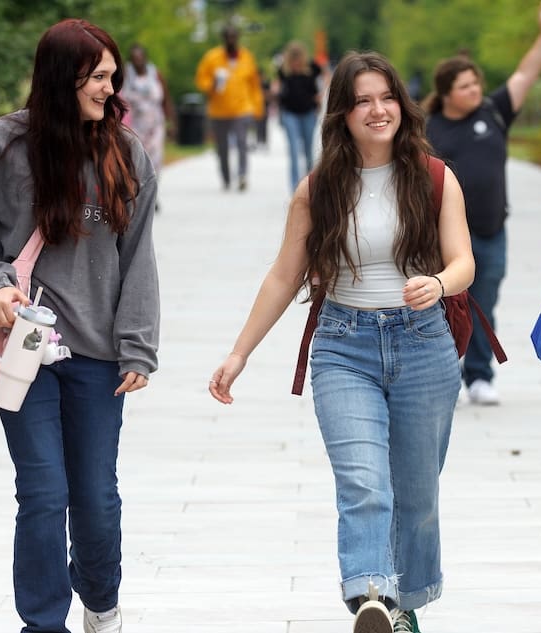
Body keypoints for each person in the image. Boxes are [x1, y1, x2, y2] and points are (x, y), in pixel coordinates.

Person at [208, 50, 472, 633]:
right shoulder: (319, 187)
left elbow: (463, 264)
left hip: (423, 345)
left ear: (401, 104)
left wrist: (436, 282)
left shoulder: (433, 176)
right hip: (343, 346)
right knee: (362, 480)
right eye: (362, 102)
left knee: (417, 494)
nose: (377, 111)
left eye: (386, 98)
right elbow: (284, 274)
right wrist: (239, 352)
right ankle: (371, 595)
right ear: (343, 115)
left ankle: (402, 603)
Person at [0, 18, 159, 633]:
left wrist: (138, 347)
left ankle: (101, 599)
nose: (111, 90)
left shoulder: (126, 153)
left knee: (94, 499)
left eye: (113, 76)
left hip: (96, 356)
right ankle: (42, 623)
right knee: (41, 493)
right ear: (63, 78)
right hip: (20, 354)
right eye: (98, 77)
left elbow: (137, 257)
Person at [423, 0, 541, 405]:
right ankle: (446, 374)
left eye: (476, 84)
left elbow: (525, 74)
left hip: (491, 229)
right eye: (464, 87)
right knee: (444, 306)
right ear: (446, 93)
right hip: (441, 236)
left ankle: (480, 375)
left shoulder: (494, 112)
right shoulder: (427, 128)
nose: (475, 91)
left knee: (485, 303)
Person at [195, 25, 264, 191]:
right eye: (228, 37)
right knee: (222, 147)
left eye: (234, 37)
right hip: (219, 110)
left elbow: (254, 85)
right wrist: (211, 85)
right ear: (224, 39)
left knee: (242, 142)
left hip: (242, 109)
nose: (231, 40)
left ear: (238, 38)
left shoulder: (247, 57)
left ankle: (242, 175)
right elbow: (200, 79)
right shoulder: (212, 58)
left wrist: (258, 107)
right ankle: (226, 177)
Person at [120, 43, 175, 201]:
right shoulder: (126, 75)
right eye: (134, 58)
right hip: (134, 125)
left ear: (145, 57)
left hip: (155, 125)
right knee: (136, 160)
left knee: (155, 160)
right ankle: (138, 195)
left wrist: (171, 123)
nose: (137, 61)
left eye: (140, 57)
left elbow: (166, 100)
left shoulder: (155, 74)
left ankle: (152, 195)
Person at [272, 40, 325, 192]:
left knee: (309, 150)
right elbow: (278, 84)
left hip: (308, 112)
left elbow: (325, 76)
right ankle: (295, 186)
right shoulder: (283, 70)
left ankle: (309, 183)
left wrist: (321, 95)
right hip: (290, 113)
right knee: (294, 149)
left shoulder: (312, 68)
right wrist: (275, 91)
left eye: (298, 59)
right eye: (292, 59)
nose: (295, 63)